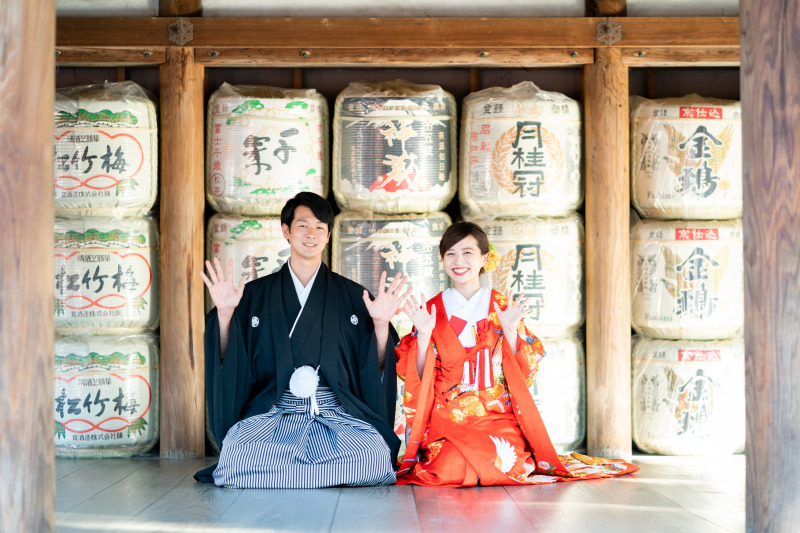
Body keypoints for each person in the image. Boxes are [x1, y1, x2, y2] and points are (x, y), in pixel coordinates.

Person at [395, 221, 638, 486]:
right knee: (447, 467)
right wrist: (424, 335)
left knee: (506, 461)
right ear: (442, 259)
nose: (458, 260)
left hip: (496, 416)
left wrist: (510, 330)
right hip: (447, 419)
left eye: (467, 252)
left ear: (484, 258)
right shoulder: (431, 309)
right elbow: (416, 377)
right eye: (450, 253)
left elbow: (523, 372)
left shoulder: (501, 305)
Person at [194, 192, 411, 488]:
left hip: (335, 416)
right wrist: (224, 314)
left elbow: (378, 364)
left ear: (328, 235)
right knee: (238, 454)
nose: (312, 234)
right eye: (303, 226)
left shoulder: (352, 296)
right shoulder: (254, 295)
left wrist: (382, 324)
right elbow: (227, 358)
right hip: (274, 415)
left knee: (372, 456)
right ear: (286, 231)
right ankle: (320, 476)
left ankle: (279, 477)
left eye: (320, 227)